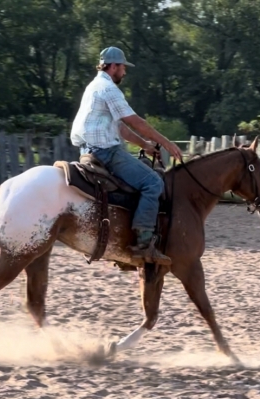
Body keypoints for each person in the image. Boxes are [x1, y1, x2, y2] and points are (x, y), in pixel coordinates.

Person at [70, 46, 183, 266]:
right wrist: (166, 143)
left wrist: (146, 145)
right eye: (122, 67)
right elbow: (135, 122)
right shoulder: (109, 89)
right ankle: (143, 241)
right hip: (106, 152)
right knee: (152, 182)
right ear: (113, 66)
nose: (124, 72)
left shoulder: (93, 87)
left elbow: (120, 128)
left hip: (88, 150)